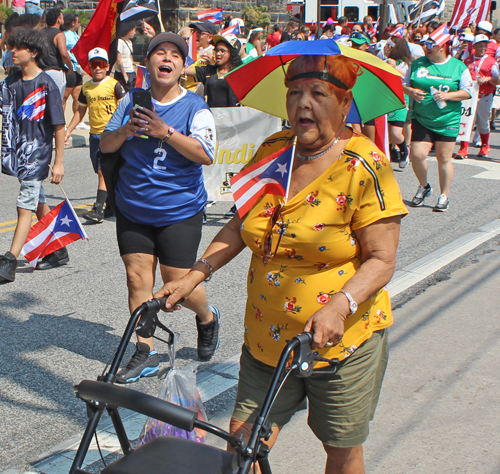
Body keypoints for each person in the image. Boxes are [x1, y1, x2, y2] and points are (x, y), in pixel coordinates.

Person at [156, 53, 407, 474]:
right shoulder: (274, 150)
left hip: (341, 343)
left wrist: (338, 305)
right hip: (266, 340)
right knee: (243, 444)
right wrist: (192, 276)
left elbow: (382, 260)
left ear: (344, 105)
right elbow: (241, 225)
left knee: (340, 451)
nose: (302, 104)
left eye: (317, 94)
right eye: (294, 93)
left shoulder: (365, 164)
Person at [100, 33, 220, 381]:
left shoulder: (195, 107)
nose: (166, 59)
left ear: (182, 68)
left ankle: (207, 316)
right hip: (133, 207)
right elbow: (106, 145)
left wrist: (164, 131)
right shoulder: (132, 100)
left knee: (177, 286)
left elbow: (206, 154)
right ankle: (145, 351)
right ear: (148, 64)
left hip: (179, 210)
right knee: (137, 278)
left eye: (175, 56)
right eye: (159, 53)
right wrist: (125, 130)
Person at [0, 28, 67, 283]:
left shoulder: (45, 83)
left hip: (37, 155)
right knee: (38, 202)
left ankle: (10, 260)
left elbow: (59, 125)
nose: (12, 52)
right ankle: (58, 249)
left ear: (34, 52)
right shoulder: (11, 82)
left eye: (18, 48)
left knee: (24, 205)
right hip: (18, 154)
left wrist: (59, 162)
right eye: (11, 47)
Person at [403, 34, 473, 212]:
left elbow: (467, 92)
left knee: (444, 158)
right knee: (417, 155)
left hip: (447, 119)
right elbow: (404, 84)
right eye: (426, 44)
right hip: (422, 118)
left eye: (431, 45)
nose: (427, 48)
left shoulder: (458, 66)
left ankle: (444, 196)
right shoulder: (418, 63)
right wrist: (411, 91)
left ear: (442, 47)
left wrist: (448, 96)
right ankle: (424, 186)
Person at [66, 47, 126, 222]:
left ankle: (98, 209)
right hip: (95, 136)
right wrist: (68, 131)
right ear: (89, 68)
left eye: (101, 64)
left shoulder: (114, 85)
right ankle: (110, 206)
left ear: (107, 66)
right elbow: (80, 112)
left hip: (111, 134)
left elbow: (124, 108)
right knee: (101, 171)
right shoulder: (86, 88)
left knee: (102, 171)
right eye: (94, 65)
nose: (97, 68)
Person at [456, 35, 500, 159]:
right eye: (480, 45)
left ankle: (485, 145)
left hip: (485, 95)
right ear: (473, 46)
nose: (482, 48)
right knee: (466, 121)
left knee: (482, 122)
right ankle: (463, 148)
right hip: (469, 96)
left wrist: (489, 79)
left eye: (485, 46)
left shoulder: (491, 61)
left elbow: (498, 80)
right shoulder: (468, 61)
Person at [185, 33, 242, 108]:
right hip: (212, 116)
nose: (218, 53)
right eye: (217, 50)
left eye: (222, 51)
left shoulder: (240, 73)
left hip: (231, 116)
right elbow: (184, 71)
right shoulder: (209, 71)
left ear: (232, 53)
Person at [385, 38, 413, 168]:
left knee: (396, 133)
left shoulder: (404, 63)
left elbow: (406, 76)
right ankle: (392, 151)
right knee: (388, 132)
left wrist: (395, 67)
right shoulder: (386, 60)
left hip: (401, 100)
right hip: (387, 99)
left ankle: (404, 151)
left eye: (390, 46)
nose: (388, 48)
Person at [39, 8, 73, 100]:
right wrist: (70, 67)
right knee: (55, 102)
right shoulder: (59, 34)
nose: (63, 20)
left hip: (40, 71)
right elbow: (64, 54)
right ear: (58, 20)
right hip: (55, 70)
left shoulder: (40, 33)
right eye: (62, 18)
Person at [62, 13, 83, 117]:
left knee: (78, 96)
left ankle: (78, 120)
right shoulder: (65, 35)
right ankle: (61, 122)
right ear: (73, 22)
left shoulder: (75, 35)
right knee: (64, 97)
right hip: (69, 68)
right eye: (78, 22)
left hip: (77, 69)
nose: (80, 24)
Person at [113, 23, 137, 92]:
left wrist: (133, 68)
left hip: (131, 71)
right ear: (128, 30)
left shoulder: (130, 42)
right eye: (133, 30)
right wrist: (124, 74)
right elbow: (119, 59)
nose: (135, 32)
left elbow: (130, 56)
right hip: (123, 72)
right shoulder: (120, 41)